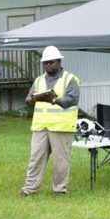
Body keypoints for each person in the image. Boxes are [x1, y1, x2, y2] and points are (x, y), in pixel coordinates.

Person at [20, 45, 80, 197]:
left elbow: (72, 100)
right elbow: (28, 100)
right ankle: (29, 189)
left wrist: (52, 100)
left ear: (59, 62)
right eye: (46, 62)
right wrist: (33, 98)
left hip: (61, 126)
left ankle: (59, 190)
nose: (48, 65)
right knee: (35, 158)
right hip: (41, 126)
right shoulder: (39, 80)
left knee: (61, 161)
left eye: (51, 62)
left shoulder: (69, 79)